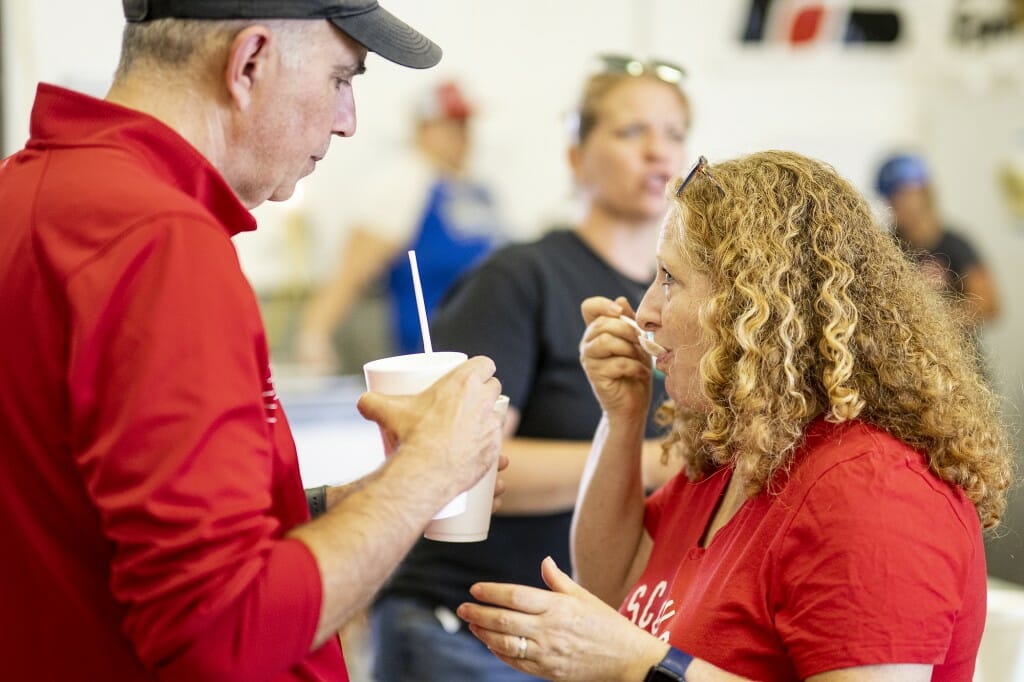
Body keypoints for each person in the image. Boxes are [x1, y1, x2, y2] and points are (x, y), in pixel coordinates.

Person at [0, 2, 506, 681]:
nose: (347, 120)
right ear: (249, 63)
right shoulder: (161, 243)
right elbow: (219, 632)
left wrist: (359, 500)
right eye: (340, 78)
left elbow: (104, 520)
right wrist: (429, 475)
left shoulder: (28, 192)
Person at [456, 151, 1014, 681]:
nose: (645, 311)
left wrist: (640, 666)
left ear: (756, 308)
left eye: (670, 279)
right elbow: (612, 588)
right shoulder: (741, 447)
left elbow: (631, 648)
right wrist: (621, 419)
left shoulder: (873, 490)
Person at [369, 55, 691, 681]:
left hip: (573, 640)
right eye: (631, 132)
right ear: (576, 156)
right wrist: (657, 458)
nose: (659, 152)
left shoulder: (682, 304)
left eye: (674, 134)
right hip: (463, 631)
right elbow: (468, 471)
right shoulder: (521, 279)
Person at [297, 78, 506, 371]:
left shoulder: (475, 189)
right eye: (453, 126)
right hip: (436, 360)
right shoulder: (404, 184)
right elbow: (353, 268)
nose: (463, 137)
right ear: (424, 128)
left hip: (490, 350)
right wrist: (315, 333)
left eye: (465, 126)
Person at [876, 152, 1000, 325]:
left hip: (953, 349)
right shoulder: (884, 247)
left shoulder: (955, 244)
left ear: (926, 194)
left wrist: (931, 321)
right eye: (891, 197)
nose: (898, 204)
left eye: (904, 195)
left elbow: (989, 304)